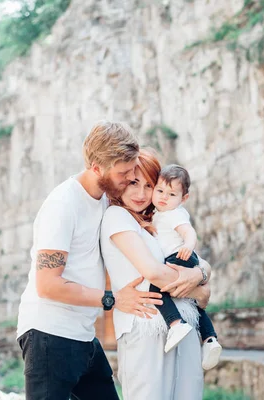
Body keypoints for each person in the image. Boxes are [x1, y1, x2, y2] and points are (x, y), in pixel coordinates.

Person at [16, 121, 175, 400]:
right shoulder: (63, 204)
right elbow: (48, 285)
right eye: (123, 173)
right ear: (97, 168)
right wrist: (113, 299)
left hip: (84, 336)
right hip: (48, 335)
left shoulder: (105, 199)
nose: (129, 179)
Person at [101, 149, 212, 400]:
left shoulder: (158, 222)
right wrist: (201, 288)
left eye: (149, 185)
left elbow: (196, 262)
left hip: (184, 326)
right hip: (144, 326)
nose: (141, 194)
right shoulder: (116, 216)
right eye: (133, 183)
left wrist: (201, 273)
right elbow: (153, 272)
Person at [149, 164, 222, 369]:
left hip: (180, 257)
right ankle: (209, 339)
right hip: (185, 259)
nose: (164, 197)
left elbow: (189, 232)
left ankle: (175, 324)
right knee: (191, 301)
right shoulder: (161, 212)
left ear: (183, 199)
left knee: (156, 288)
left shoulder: (174, 214)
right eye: (160, 190)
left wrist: (189, 246)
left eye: (171, 194)